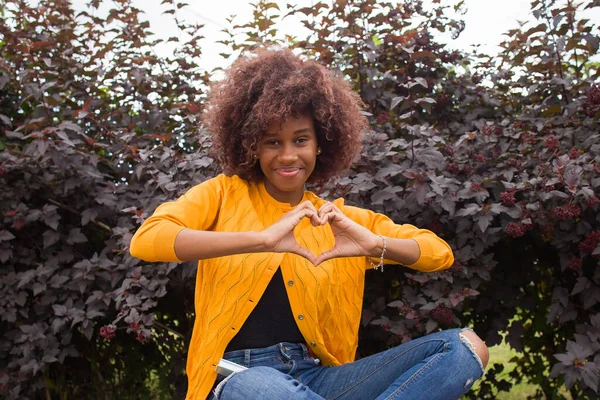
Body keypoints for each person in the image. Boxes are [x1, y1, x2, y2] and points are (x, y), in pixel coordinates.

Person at [129, 48, 488, 400]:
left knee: (464, 348)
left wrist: (374, 245)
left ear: (320, 144)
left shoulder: (341, 221)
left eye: (300, 140)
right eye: (272, 142)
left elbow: (439, 254)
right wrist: (261, 240)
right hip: (239, 380)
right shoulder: (223, 195)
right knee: (256, 386)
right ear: (253, 146)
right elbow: (147, 239)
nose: (287, 155)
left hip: (318, 378)